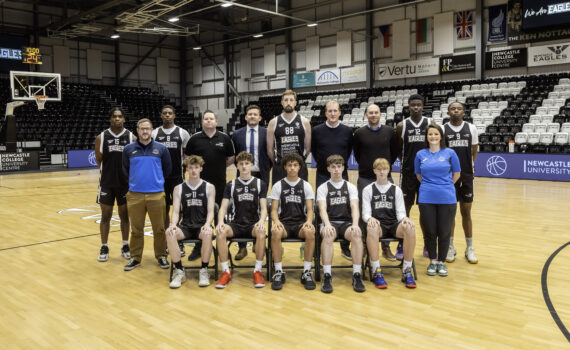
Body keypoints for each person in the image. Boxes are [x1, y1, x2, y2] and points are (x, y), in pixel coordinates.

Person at [122, 118, 172, 271]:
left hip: (156, 194)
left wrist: (156, 182)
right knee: (136, 229)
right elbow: (125, 170)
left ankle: (161, 255)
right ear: (137, 130)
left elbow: (167, 169)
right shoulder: (129, 149)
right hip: (135, 195)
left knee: (159, 228)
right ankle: (135, 258)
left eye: (147, 128)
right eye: (142, 128)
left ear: (152, 130)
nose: (145, 131)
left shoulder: (161, 148)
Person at [185, 110, 235, 261]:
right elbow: (187, 158)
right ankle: (198, 247)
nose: (208, 121)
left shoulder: (225, 138)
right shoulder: (194, 139)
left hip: (220, 184)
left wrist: (218, 167)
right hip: (198, 186)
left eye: (211, 119)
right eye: (206, 119)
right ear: (202, 122)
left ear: (216, 121)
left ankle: (223, 248)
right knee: (199, 216)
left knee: (221, 217)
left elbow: (231, 158)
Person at [215, 151, 268, 289]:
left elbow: (263, 207)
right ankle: (225, 271)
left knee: (262, 232)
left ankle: (258, 271)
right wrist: (220, 222)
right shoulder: (231, 185)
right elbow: (223, 207)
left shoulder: (259, 183)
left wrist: (262, 221)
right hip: (235, 225)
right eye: (241, 164)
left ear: (251, 165)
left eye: (247, 164)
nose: (244, 166)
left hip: (253, 224)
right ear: (237, 166)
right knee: (220, 233)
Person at [353, 103, 398, 261]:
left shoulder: (390, 132)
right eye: (370, 113)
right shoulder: (359, 133)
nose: (373, 115)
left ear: (380, 114)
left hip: (385, 177)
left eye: (376, 112)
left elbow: (394, 152)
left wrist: (383, 168)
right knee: (364, 211)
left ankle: (386, 247)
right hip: (365, 177)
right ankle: (366, 245)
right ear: (366, 115)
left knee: (387, 210)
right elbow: (357, 154)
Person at [362, 158, 417, 289]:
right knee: (373, 228)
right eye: (379, 169)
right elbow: (365, 213)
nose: (382, 172)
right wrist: (370, 219)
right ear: (374, 171)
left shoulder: (395, 189)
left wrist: (405, 219)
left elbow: (401, 213)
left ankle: (407, 270)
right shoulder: (368, 189)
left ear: (388, 170)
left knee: (410, 228)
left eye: (384, 169)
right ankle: (376, 271)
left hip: (393, 224)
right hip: (378, 225)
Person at [414, 124, 461, 277]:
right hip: (426, 197)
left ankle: (442, 262)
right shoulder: (420, 154)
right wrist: (431, 186)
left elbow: (457, 173)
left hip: (447, 198)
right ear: (426, 137)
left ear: (441, 136)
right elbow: (418, 175)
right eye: (430, 134)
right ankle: (432, 261)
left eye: (435, 134)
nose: (433, 137)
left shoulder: (450, 153)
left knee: (444, 231)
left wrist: (444, 185)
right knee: (430, 231)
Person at [311, 100, 354, 261]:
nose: (333, 114)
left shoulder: (347, 131)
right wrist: (325, 166)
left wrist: (338, 168)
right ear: (325, 113)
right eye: (330, 111)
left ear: (340, 112)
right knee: (321, 207)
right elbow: (315, 151)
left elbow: (348, 150)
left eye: (335, 111)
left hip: (342, 174)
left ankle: (345, 246)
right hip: (323, 174)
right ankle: (319, 244)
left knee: (345, 206)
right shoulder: (317, 130)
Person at [316, 155, 365, 293]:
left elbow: (355, 207)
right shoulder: (323, 187)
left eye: (339, 167)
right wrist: (326, 224)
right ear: (328, 169)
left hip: (346, 223)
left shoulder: (350, 187)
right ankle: (327, 275)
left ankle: (357, 274)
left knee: (356, 234)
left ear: (343, 168)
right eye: (333, 167)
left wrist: (355, 225)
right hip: (330, 222)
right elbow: (322, 209)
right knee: (327, 234)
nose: (336, 170)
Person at [166, 155, 215, 289]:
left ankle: (204, 270)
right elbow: (176, 211)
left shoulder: (209, 187)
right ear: (186, 169)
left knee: (207, 233)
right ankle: (179, 271)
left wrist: (207, 224)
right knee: (170, 233)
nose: (193, 171)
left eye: (196, 168)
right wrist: (173, 225)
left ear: (201, 169)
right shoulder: (179, 188)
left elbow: (211, 211)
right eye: (191, 168)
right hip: (186, 226)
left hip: (201, 225)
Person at [269, 153, 316, 291]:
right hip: (284, 223)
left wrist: (309, 221)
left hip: (300, 224)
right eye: (289, 165)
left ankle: (307, 272)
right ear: (285, 167)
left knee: (310, 232)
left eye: (295, 165)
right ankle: (278, 272)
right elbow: (273, 210)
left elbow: (310, 209)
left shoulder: (306, 185)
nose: (292, 168)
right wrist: (276, 221)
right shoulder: (278, 185)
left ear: (300, 167)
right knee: (275, 232)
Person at [230, 105, 272, 260]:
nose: (253, 116)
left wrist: (266, 168)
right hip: (242, 174)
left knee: (260, 207)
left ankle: (257, 241)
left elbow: (269, 154)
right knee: (241, 206)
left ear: (260, 118)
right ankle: (242, 247)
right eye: (250, 114)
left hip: (261, 174)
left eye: (255, 114)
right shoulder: (237, 134)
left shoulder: (267, 133)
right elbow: (234, 156)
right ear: (246, 117)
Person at [94, 107, 135, 262]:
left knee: (125, 217)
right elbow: (99, 160)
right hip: (106, 183)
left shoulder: (131, 137)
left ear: (124, 119)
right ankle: (104, 246)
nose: (117, 119)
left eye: (120, 117)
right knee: (106, 216)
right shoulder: (101, 137)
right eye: (114, 116)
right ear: (110, 119)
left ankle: (125, 245)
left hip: (125, 184)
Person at [151, 105, 191, 256]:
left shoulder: (182, 133)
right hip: (159, 179)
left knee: (178, 209)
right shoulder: (155, 133)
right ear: (161, 116)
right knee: (163, 209)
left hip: (177, 178)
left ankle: (177, 238)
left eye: (170, 113)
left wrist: (187, 170)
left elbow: (187, 155)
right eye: (164, 113)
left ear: (174, 116)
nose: (167, 115)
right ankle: (168, 239)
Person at [396, 94, 432, 259]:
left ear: (422, 106)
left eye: (418, 105)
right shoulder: (402, 125)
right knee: (405, 210)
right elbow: (398, 149)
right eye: (413, 105)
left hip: (426, 175)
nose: (416, 107)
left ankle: (428, 245)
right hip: (408, 174)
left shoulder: (430, 123)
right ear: (409, 107)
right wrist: (407, 163)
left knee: (426, 211)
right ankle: (401, 244)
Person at [443, 102, 479, 264]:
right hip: (448, 177)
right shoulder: (443, 129)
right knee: (450, 213)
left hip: (466, 176)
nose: (456, 111)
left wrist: (468, 167)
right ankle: (450, 247)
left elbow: (474, 151)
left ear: (463, 112)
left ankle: (469, 248)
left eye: (458, 108)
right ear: (448, 112)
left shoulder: (471, 128)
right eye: (453, 108)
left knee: (466, 213)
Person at [266, 89, 311, 184]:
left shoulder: (304, 121)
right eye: (286, 100)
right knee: (279, 196)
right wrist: (277, 163)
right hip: (280, 167)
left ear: (295, 103)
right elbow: (269, 149)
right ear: (282, 103)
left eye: (291, 100)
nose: (288, 103)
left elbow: (308, 147)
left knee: (300, 195)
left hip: (299, 167)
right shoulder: (273, 122)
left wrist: (300, 161)